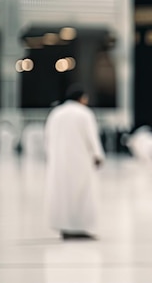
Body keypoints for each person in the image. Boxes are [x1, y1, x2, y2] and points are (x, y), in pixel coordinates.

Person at [44, 84, 105, 240]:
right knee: (83, 194)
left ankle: (65, 228)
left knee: (63, 194)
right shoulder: (84, 113)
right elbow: (91, 136)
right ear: (82, 98)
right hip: (81, 160)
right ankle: (81, 228)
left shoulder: (56, 113)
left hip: (60, 162)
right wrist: (98, 155)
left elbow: (48, 138)